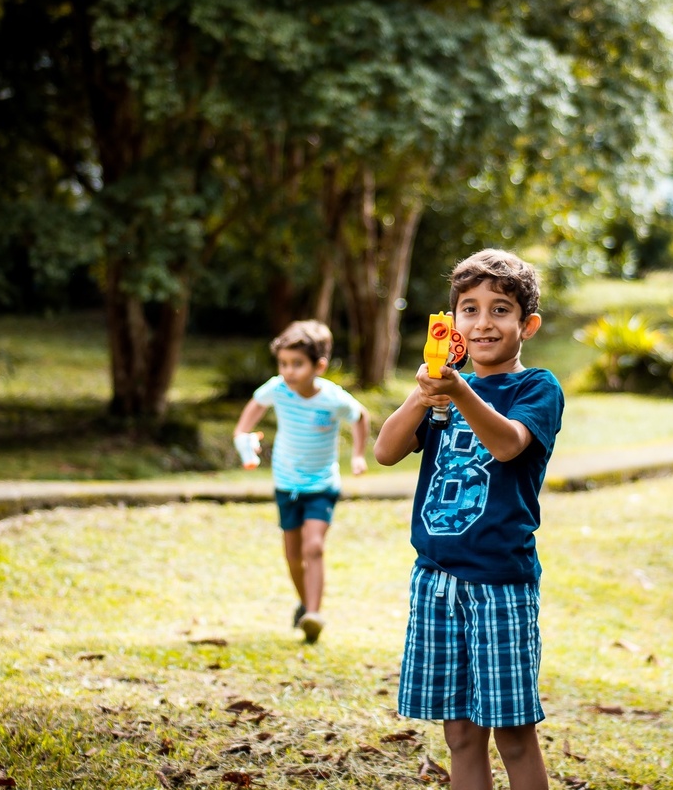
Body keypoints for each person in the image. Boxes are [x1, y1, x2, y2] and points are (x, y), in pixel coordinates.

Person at [374, 249, 564, 790]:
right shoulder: (440, 389)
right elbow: (386, 450)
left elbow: (507, 445)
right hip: (435, 580)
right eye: (470, 309)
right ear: (451, 322)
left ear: (527, 324)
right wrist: (426, 390)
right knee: (459, 734)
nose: (483, 323)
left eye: (500, 310)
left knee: (513, 735)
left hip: (500, 583)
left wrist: (459, 391)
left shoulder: (537, 389)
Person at [233, 319, 370, 645]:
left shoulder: (333, 398)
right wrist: (243, 438)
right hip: (286, 483)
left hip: (322, 485)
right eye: (283, 364)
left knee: (314, 547)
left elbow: (361, 416)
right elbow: (251, 413)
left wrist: (359, 455)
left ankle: (313, 614)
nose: (288, 371)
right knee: (293, 555)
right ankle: (305, 604)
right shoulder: (277, 389)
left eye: (297, 364)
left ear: (318, 366)